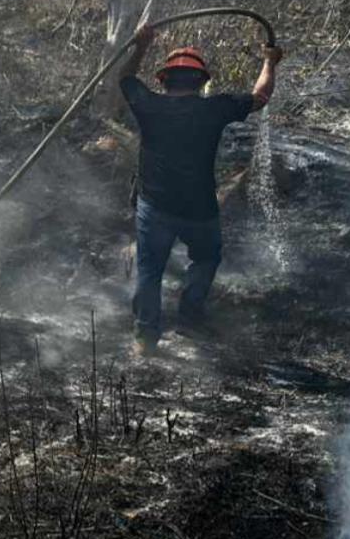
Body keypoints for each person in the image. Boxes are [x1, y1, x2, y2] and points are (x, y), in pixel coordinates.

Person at [119, 26, 282, 355]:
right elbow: (260, 97)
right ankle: (190, 320)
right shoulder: (215, 108)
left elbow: (125, 79)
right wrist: (269, 63)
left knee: (150, 269)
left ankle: (145, 338)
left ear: (163, 80)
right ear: (201, 82)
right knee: (206, 257)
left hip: (155, 206)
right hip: (199, 208)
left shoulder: (148, 105)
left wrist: (140, 45)